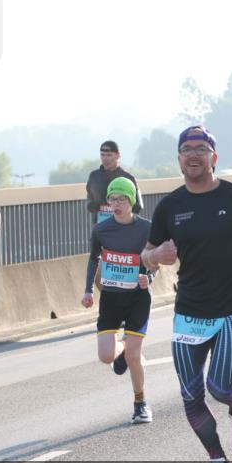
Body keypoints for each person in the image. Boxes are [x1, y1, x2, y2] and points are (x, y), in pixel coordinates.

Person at [143, 125, 232, 463]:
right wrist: (156, 255)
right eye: (186, 149)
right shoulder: (170, 206)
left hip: (231, 309)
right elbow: (147, 253)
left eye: (201, 148)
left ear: (213, 158)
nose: (193, 154)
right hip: (189, 312)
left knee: (219, 387)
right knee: (190, 393)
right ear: (178, 159)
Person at [82, 178, 155, 424]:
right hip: (111, 298)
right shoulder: (101, 230)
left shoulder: (147, 228)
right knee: (105, 356)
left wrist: (149, 277)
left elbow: (154, 259)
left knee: (134, 356)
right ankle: (121, 347)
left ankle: (140, 403)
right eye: (112, 199)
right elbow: (93, 259)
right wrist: (88, 291)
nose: (116, 204)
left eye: (121, 199)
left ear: (131, 201)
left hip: (138, 298)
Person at [86, 141, 142, 224]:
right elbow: (89, 200)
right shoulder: (94, 176)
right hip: (101, 227)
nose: (105, 158)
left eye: (109, 155)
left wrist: (121, 207)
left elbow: (138, 206)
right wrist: (94, 206)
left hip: (123, 227)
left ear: (118, 155)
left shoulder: (128, 178)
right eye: (102, 155)